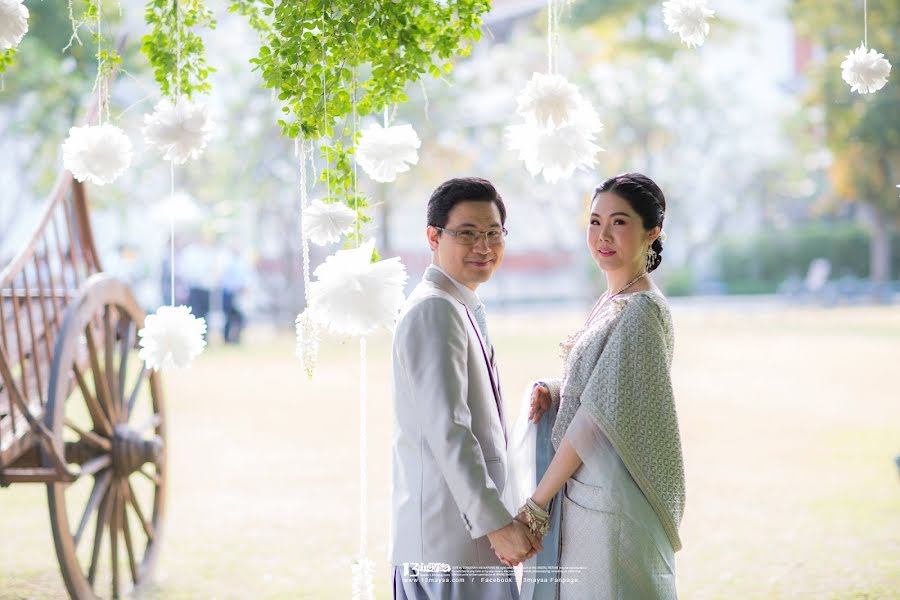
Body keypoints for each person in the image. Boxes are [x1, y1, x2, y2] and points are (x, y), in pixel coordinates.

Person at [511, 172, 686, 599]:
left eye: (619, 222)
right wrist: (555, 390)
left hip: (612, 504)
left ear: (652, 232)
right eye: (594, 221)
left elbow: (595, 417)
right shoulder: (615, 299)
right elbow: (607, 381)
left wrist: (536, 505)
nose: (603, 235)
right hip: (590, 493)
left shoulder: (640, 309)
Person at [391, 177, 542, 600]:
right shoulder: (435, 310)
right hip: (451, 546)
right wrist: (496, 524)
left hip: (462, 541)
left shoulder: (458, 305)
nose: (484, 246)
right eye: (468, 234)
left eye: (494, 233)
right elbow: (449, 431)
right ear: (433, 237)